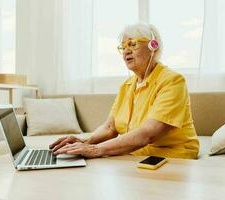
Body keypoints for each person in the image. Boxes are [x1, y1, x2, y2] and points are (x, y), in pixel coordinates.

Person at [49, 23, 199, 159]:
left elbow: (149, 133)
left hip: (172, 156)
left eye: (132, 44)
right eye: (123, 47)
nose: (126, 51)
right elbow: (110, 127)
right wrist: (84, 141)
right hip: (136, 152)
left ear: (153, 47)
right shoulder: (127, 86)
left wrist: (96, 149)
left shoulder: (172, 81)